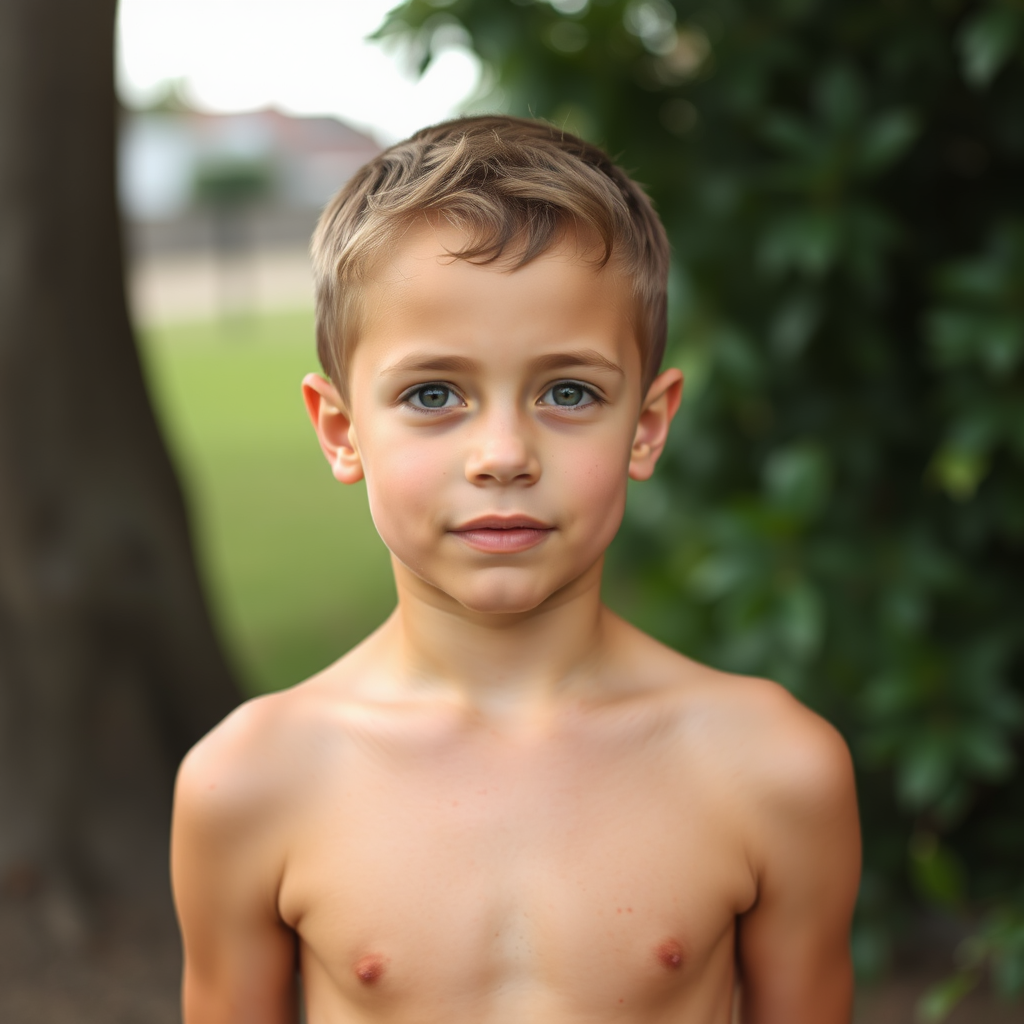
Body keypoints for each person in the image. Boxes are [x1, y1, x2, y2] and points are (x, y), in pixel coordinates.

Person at [171, 115, 861, 1024]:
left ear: (647, 426)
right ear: (341, 431)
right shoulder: (250, 782)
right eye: (433, 394)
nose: (503, 455)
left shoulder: (772, 769)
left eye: (568, 392)